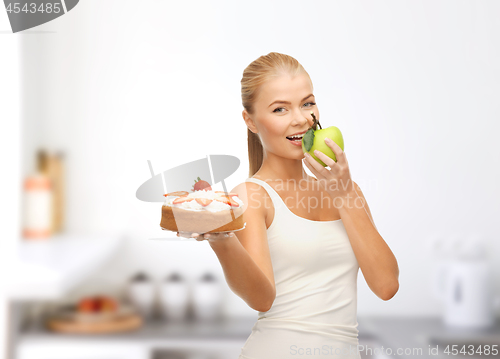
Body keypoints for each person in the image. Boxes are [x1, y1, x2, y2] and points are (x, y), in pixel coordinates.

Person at [177, 52, 399, 359]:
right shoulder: (253, 196)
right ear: (250, 121)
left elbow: (387, 285)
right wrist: (221, 239)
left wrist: (345, 194)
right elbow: (261, 298)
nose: (300, 119)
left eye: (307, 103)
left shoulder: (347, 190)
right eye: (280, 109)